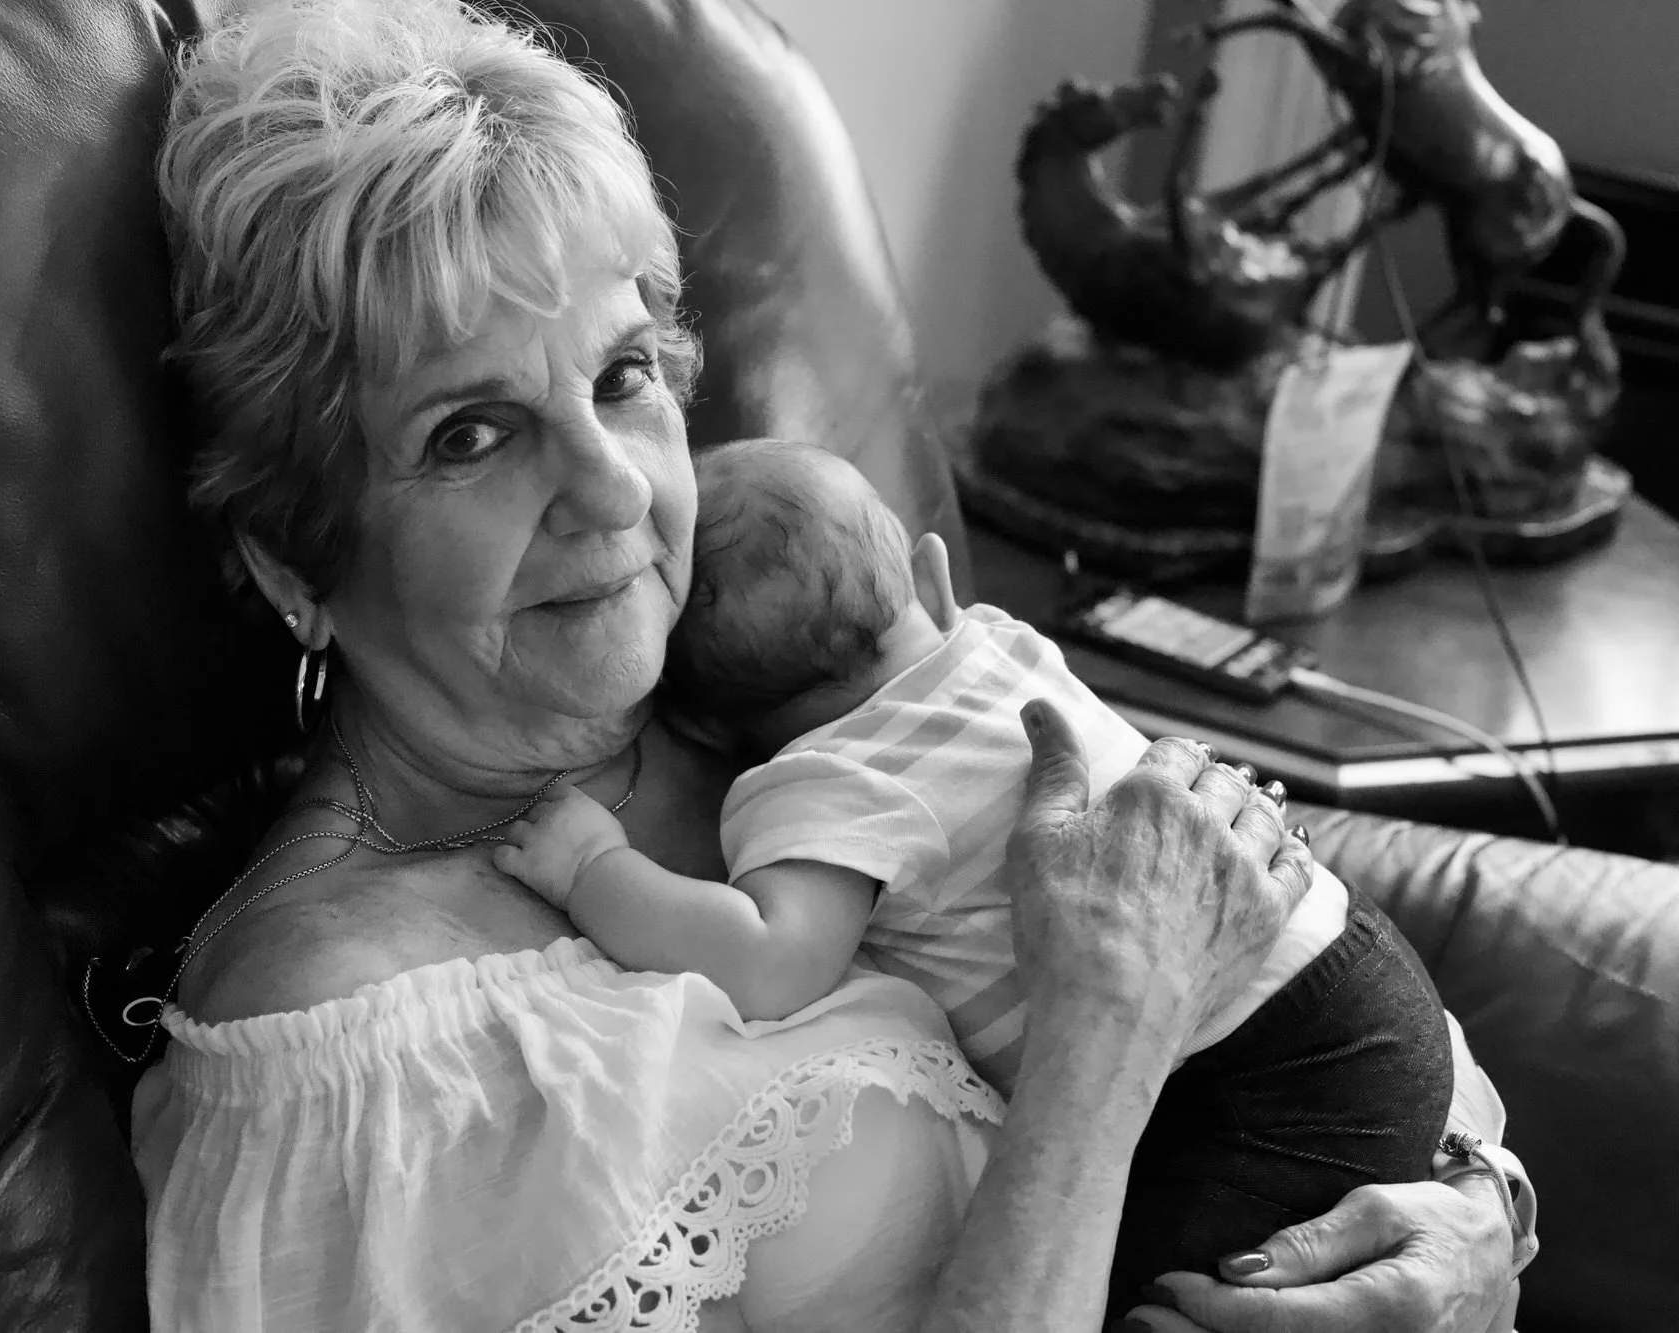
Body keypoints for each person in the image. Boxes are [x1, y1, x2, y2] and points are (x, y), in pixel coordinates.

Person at [130, 1, 1533, 1329]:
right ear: (294, 562)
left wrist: (1474, 1213)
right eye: (471, 434)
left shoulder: (769, 697)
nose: (615, 493)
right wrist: (1108, 1025)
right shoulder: (357, 1064)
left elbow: (1265, 938)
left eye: (623, 377)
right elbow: (1140, 970)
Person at [494, 437, 1459, 1316]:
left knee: (1167, 1303)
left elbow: (773, 961)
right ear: (934, 575)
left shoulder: (832, 780)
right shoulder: (1003, 646)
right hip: (1358, 963)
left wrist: (594, 868)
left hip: (1233, 1070)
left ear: (702, 729)